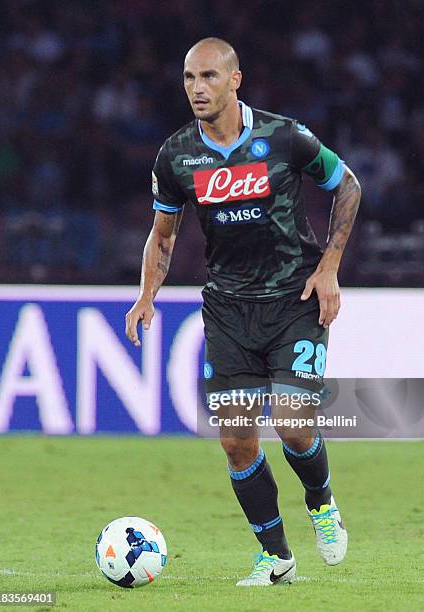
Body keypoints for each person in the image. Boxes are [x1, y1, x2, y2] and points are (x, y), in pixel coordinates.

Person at [125, 37, 361, 586]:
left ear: (235, 80)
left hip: (294, 299)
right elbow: (163, 236)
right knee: (236, 440)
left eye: (207, 77)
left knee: (293, 423)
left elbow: (346, 185)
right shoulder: (176, 155)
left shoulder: (284, 136)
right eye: (188, 77)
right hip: (228, 310)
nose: (196, 88)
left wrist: (328, 265)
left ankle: (321, 503)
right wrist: (146, 295)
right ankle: (276, 558)